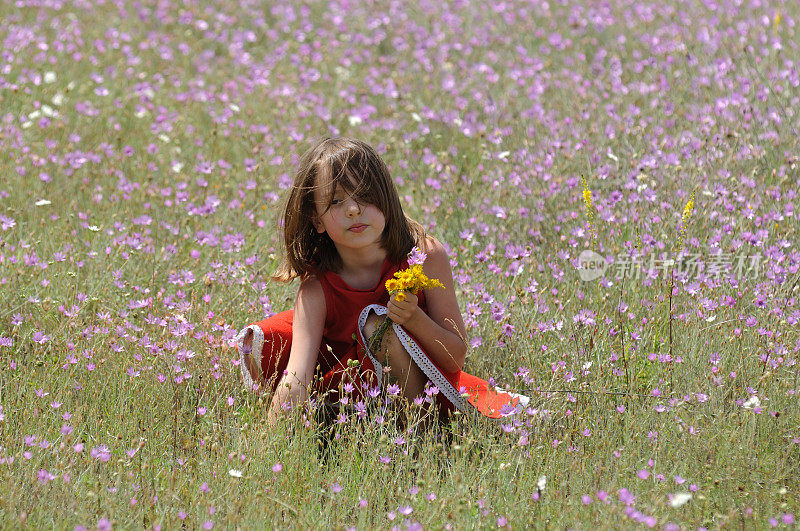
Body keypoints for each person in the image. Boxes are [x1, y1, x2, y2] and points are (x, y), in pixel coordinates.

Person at [237, 137, 527, 425]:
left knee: (379, 326)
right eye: (336, 201)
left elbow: (455, 359)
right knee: (265, 338)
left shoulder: (425, 257)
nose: (353, 209)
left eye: (365, 195)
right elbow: (297, 377)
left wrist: (413, 319)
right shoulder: (317, 288)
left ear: (387, 198)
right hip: (357, 404)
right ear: (317, 221)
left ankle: (421, 440)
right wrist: (271, 451)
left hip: (429, 394)